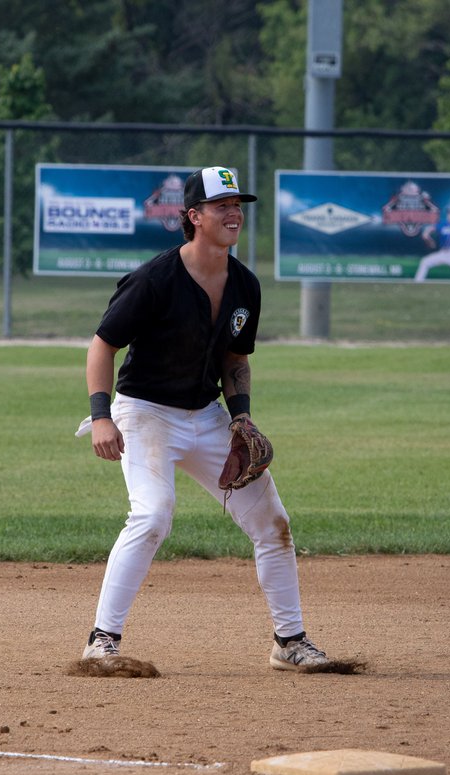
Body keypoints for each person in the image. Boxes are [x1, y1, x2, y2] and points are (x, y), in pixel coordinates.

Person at [76, 166, 329, 672]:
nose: (234, 213)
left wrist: (242, 418)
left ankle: (290, 642)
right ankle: (101, 641)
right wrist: (102, 417)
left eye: (237, 205)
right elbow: (102, 345)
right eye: (222, 205)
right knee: (152, 515)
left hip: (207, 414)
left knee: (272, 523)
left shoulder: (245, 285)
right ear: (194, 216)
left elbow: (235, 359)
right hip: (145, 412)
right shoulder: (154, 279)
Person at [415, 208, 450, 282]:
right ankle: (417, 282)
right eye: (448, 214)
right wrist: (426, 233)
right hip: (442, 253)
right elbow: (431, 228)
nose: (448, 215)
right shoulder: (444, 224)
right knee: (425, 262)